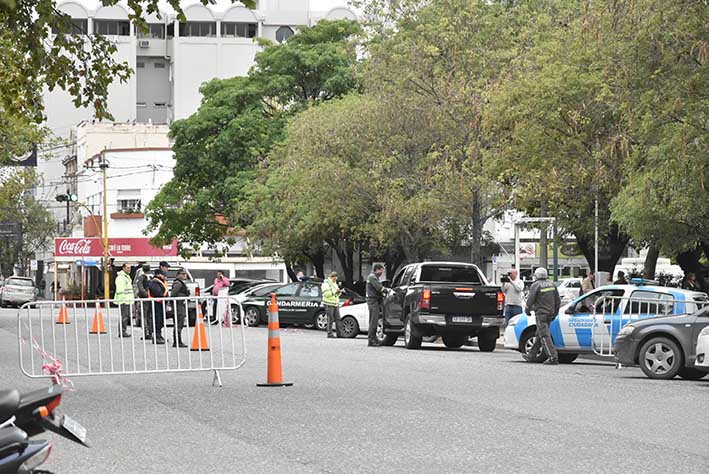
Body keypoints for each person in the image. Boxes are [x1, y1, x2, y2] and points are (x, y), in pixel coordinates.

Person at [524, 267, 561, 365]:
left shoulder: (536, 285)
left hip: (541, 314)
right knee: (539, 334)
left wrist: (527, 309)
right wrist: (555, 313)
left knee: (544, 335)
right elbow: (558, 301)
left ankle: (553, 357)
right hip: (550, 313)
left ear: (536, 276)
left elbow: (530, 299)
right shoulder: (552, 284)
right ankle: (531, 355)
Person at [366, 263, 387, 347]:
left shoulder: (374, 277)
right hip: (373, 301)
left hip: (374, 301)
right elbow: (379, 288)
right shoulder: (372, 277)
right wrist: (387, 290)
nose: (382, 272)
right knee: (373, 322)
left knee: (373, 321)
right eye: (382, 270)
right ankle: (371, 341)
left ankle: (374, 339)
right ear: (377, 269)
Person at [148, 269, 169, 344]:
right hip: (156, 303)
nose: (164, 276)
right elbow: (157, 292)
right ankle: (156, 336)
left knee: (160, 320)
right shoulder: (154, 282)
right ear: (158, 274)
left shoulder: (161, 282)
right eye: (163, 275)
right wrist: (163, 297)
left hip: (161, 303)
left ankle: (159, 335)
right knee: (157, 320)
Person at [170, 269, 190, 348]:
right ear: (178, 275)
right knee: (178, 323)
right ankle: (177, 341)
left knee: (180, 323)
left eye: (185, 274)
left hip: (181, 305)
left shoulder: (180, 283)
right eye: (182, 274)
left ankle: (178, 340)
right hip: (179, 305)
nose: (184, 275)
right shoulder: (178, 283)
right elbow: (173, 295)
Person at [321, 271, 343, 338]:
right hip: (328, 304)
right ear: (331, 277)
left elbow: (336, 294)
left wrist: (339, 292)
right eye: (334, 278)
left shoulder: (334, 283)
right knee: (330, 319)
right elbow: (326, 294)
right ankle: (329, 333)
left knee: (338, 318)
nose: (335, 280)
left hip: (335, 303)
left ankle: (340, 334)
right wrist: (335, 292)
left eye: (336, 279)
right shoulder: (326, 284)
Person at [114, 263, 134, 338]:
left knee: (126, 317)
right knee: (124, 317)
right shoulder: (121, 278)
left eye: (130, 267)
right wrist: (122, 300)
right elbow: (120, 289)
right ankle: (122, 331)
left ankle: (123, 331)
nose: (129, 269)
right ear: (123, 268)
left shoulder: (126, 277)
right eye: (128, 267)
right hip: (124, 300)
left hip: (127, 300)